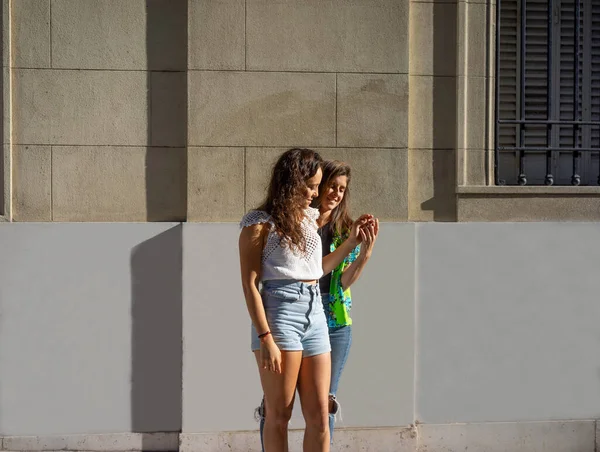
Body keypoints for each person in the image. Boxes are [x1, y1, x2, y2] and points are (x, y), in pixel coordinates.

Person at [239, 149, 368, 452]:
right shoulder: (260, 223)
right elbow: (250, 284)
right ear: (290, 181)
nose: (315, 193)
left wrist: (354, 244)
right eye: (309, 185)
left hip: (316, 315)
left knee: (320, 415)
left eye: (317, 186)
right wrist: (265, 337)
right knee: (279, 414)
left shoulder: (308, 220)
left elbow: (318, 270)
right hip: (280, 313)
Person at [315, 160, 378, 444]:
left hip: (336, 319)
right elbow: (313, 270)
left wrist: (364, 253)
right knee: (281, 400)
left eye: (342, 189)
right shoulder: (301, 223)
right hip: (300, 311)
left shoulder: (344, 229)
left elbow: (342, 282)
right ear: (319, 184)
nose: (336, 194)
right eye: (332, 186)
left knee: (325, 399)